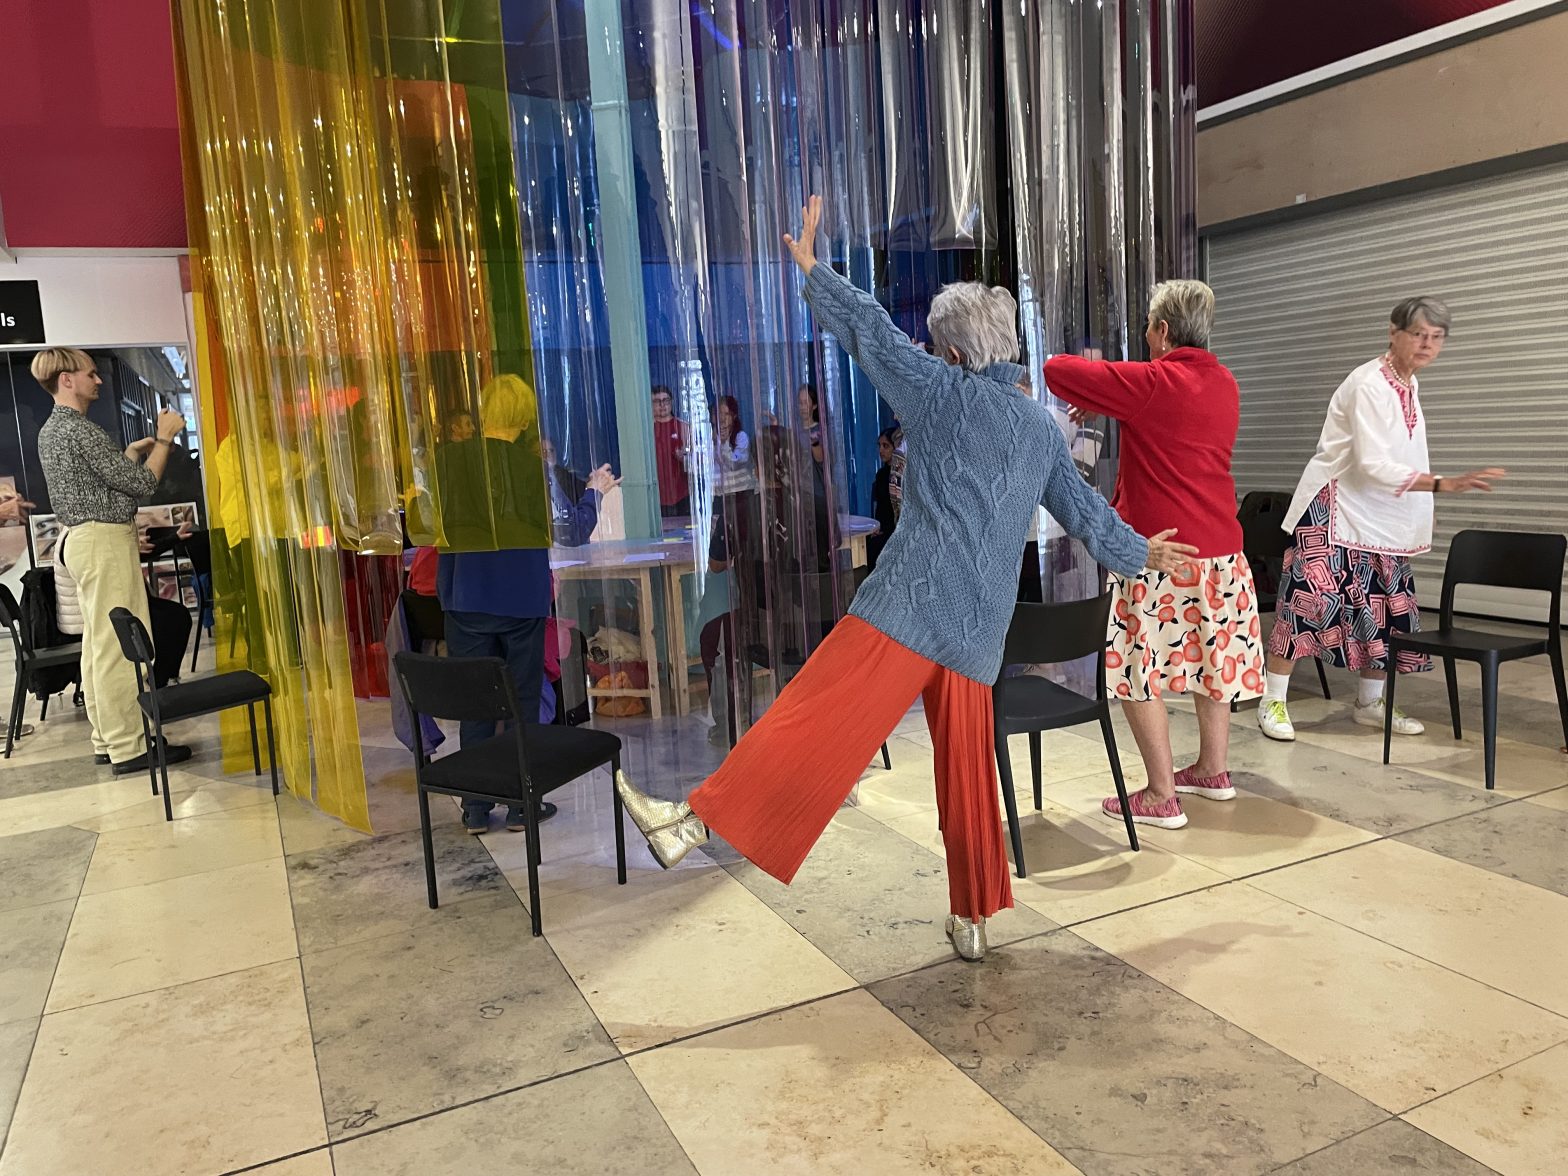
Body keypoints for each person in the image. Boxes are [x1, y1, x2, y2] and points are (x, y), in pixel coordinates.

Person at [616, 196, 1196, 961]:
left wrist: (814, 270)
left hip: (907, 605)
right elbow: (1083, 512)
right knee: (966, 777)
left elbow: (870, 334)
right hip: (976, 632)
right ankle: (976, 917)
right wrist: (1141, 553)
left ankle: (691, 823)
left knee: (813, 718)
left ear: (954, 353)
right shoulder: (1038, 425)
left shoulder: (940, 392)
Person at [1043, 280, 1262, 830]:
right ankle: (1213, 770)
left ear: (1163, 331)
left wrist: (1103, 395)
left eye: (1147, 325)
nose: (1144, 335)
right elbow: (1172, 431)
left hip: (1161, 554)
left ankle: (1162, 794)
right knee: (1215, 663)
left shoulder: (1154, 381)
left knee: (1136, 668)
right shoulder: (1225, 384)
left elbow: (1055, 369)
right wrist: (1111, 405)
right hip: (1223, 553)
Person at [1259, 298, 1505, 741]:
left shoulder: (1408, 383)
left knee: (1384, 609)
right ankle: (1272, 699)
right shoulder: (1369, 383)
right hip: (1334, 509)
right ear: (1393, 333)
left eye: (1436, 337)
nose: (1427, 344)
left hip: (1382, 516)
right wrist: (1442, 483)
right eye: (1418, 334)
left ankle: (1370, 703)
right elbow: (1373, 463)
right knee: (1306, 604)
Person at [436, 375, 616, 833]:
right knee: (520, 702)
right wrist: (595, 491)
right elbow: (570, 531)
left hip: (465, 597)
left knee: (474, 702)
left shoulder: (449, 464)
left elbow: (437, 532)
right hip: (521, 600)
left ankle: (475, 806)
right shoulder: (530, 468)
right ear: (523, 417)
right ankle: (521, 804)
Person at [33, 348, 191, 774]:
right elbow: (140, 486)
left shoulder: (57, 430)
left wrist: (131, 453)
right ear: (66, 379)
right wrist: (164, 439)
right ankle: (128, 745)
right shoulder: (79, 431)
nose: (99, 379)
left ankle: (109, 738)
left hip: (84, 540)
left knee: (99, 644)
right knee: (121, 646)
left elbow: (107, 487)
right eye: (90, 373)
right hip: (101, 542)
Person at [650, 385, 691, 517]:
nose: (662, 405)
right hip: (655, 496)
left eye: (666, 400)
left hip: (681, 494)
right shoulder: (648, 429)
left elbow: (695, 460)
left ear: (671, 402)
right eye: (657, 401)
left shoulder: (683, 427)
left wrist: (684, 458)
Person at [868, 423, 902, 569]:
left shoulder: (900, 475)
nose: (881, 450)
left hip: (894, 529)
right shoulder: (881, 475)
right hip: (881, 527)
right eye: (880, 445)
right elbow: (880, 506)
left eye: (886, 446)